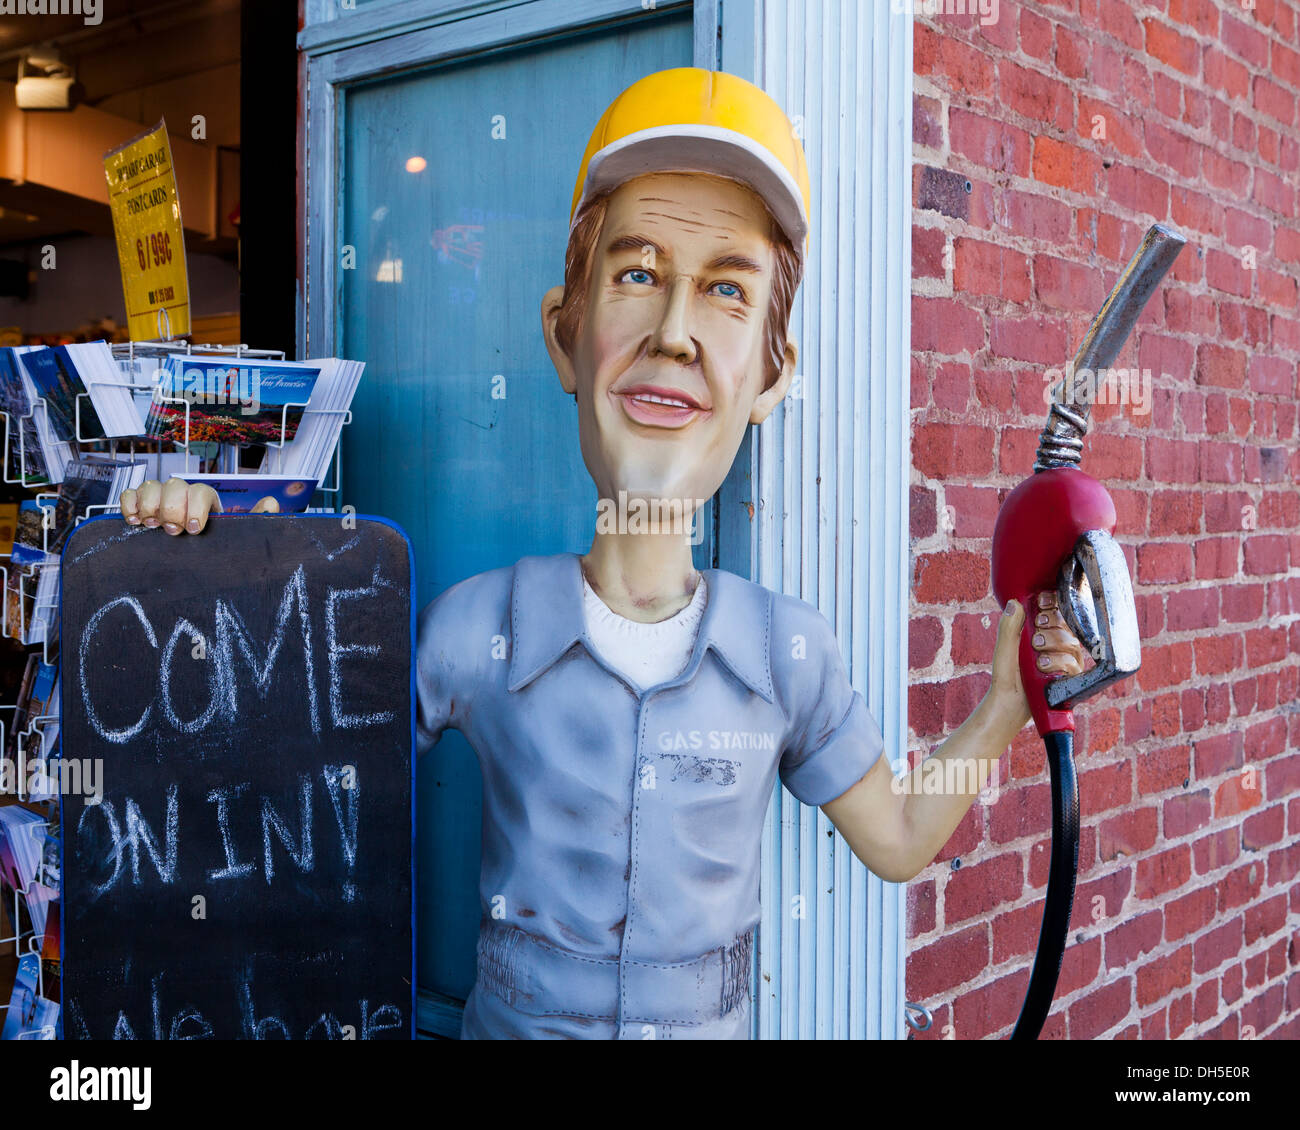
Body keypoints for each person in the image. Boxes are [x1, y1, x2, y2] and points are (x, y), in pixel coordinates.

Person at [120, 68, 1085, 1039]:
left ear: (769, 373)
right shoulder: (472, 627)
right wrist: (195, 581)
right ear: (564, 334)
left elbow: (900, 835)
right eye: (636, 274)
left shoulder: (787, 649)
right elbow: (285, 797)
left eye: (724, 291)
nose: (674, 333)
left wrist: (1004, 702)